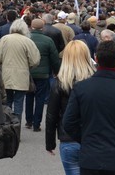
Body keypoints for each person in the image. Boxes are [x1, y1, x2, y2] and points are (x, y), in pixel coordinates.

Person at [63, 40, 115, 175]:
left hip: (90, 157)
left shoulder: (81, 88)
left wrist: (85, 139)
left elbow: (68, 122)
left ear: (96, 59)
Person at [45, 40, 95, 175]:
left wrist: (50, 143)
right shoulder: (95, 82)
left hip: (68, 138)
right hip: (92, 138)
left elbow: (52, 115)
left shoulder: (60, 83)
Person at [0, 18, 40, 120]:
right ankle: (16, 126)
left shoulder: (4, 39)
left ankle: (6, 124)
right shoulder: (28, 41)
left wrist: (2, 64)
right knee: (19, 102)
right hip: (22, 76)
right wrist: (28, 66)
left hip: (6, 74)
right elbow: (35, 60)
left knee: (7, 101)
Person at [25, 18, 60, 132]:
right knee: (40, 99)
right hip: (43, 73)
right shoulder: (48, 40)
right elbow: (54, 58)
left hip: (28, 73)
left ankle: (28, 121)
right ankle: (36, 123)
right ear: (42, 28)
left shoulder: (26, 39)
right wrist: (57, 71)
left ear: (31, 27)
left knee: (29, 97)